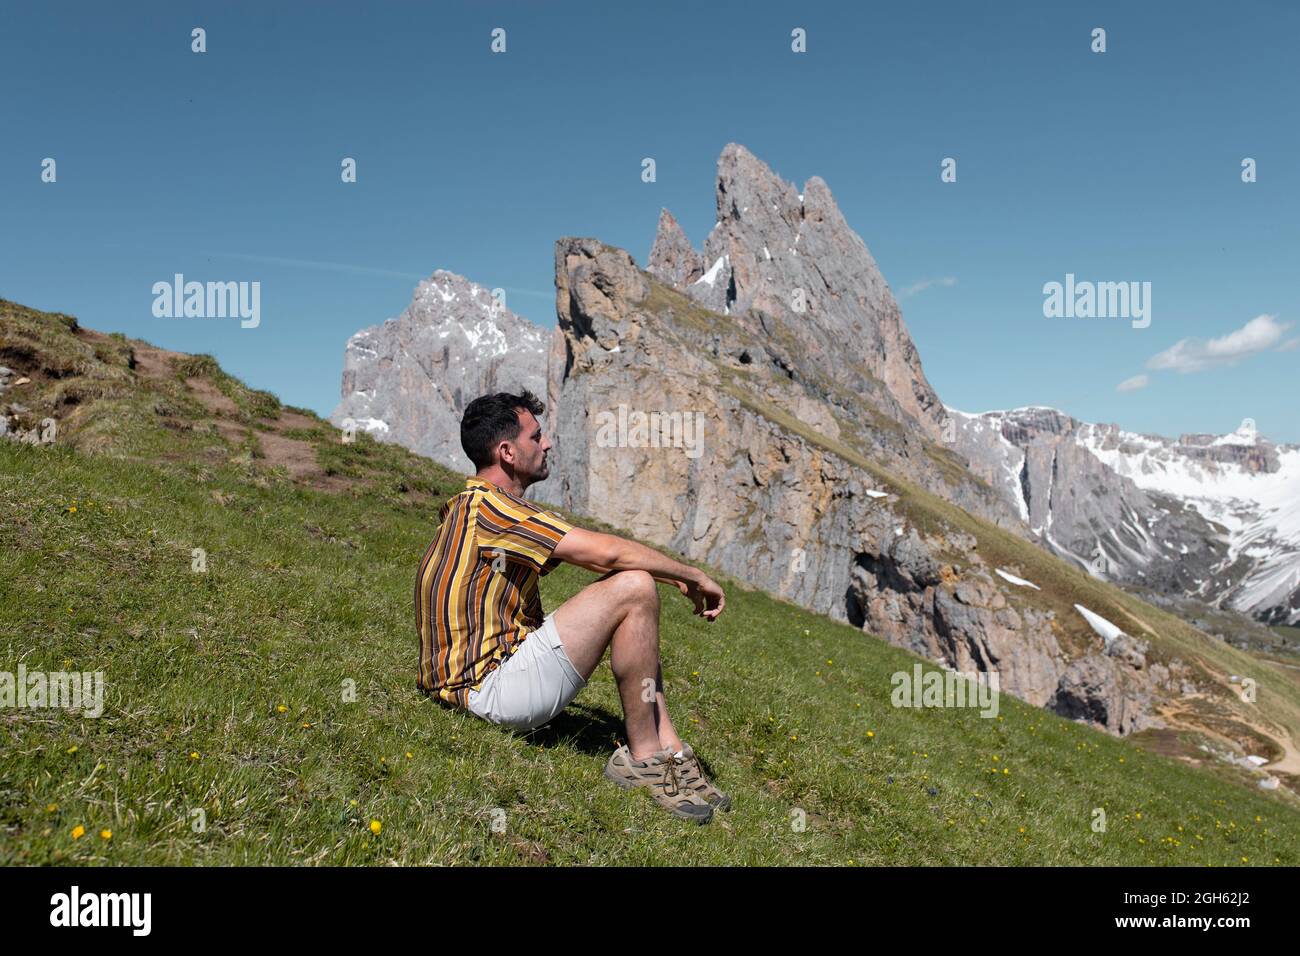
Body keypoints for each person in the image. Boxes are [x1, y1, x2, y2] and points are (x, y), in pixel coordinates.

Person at [415, 389, 729, 823]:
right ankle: (642, 758)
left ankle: (670, 749)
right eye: (536, 436)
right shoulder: (492, 510)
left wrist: (670, 575)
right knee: (634, 586)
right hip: (487, 691)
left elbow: (588, 557)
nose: (545, 444)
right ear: (507, 452)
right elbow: (606, 555)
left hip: (475, 682)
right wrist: (692, 574)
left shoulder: (482, 507)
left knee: (634, 585)